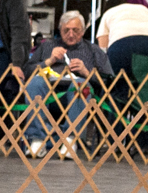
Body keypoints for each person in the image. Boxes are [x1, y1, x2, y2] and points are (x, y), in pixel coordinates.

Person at [21, 11, 113, 160]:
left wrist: (86, 72)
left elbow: (108, 80)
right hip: (48, 95)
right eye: (66, 30)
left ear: (83, 31)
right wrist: (49, 61)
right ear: (60, 30)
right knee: (35, 82)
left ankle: (71, 140)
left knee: (80, 84)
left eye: (75, 30)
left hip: (77, 98)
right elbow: (27, 71)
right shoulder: (47, 46)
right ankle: (38, 139)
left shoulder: (92, 50)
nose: (70, 34)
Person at [96, 0, 148, 75]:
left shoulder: (108, 13)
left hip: (121, 46)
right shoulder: (145, 10)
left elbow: (103, 48)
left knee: (119, 80)